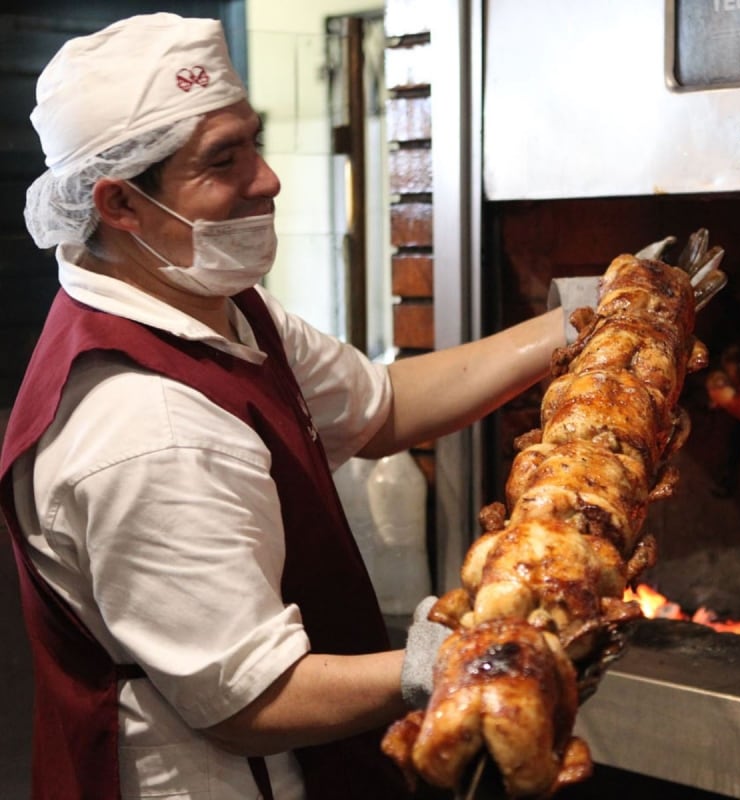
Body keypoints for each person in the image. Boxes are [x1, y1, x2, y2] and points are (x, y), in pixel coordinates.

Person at [0, 13, 587, 800]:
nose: (268, 179)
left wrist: (579, 324)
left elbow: (382, 408)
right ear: (120, 206)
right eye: (224, 160)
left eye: (255, 140)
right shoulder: (142, 425)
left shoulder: (216, 308)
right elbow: (247, 699)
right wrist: (452, 658)